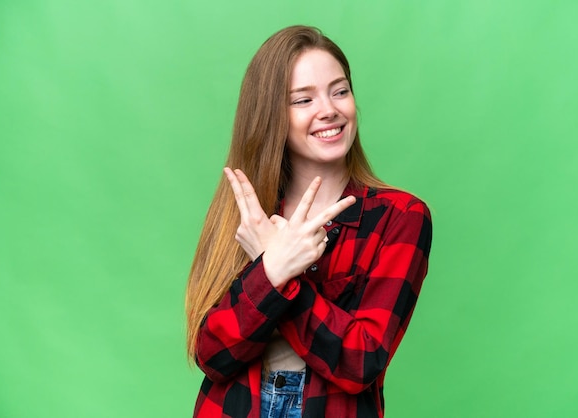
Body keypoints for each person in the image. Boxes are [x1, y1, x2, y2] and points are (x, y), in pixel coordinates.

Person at [185, 25, 432, 418]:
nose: (329, 109)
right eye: (303, 100)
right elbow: (213, 356)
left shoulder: (399, 218)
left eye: (340, 90)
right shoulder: (247, 214)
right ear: (271, 116)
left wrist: (277, 271)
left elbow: (362, 361)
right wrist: (272, 269)